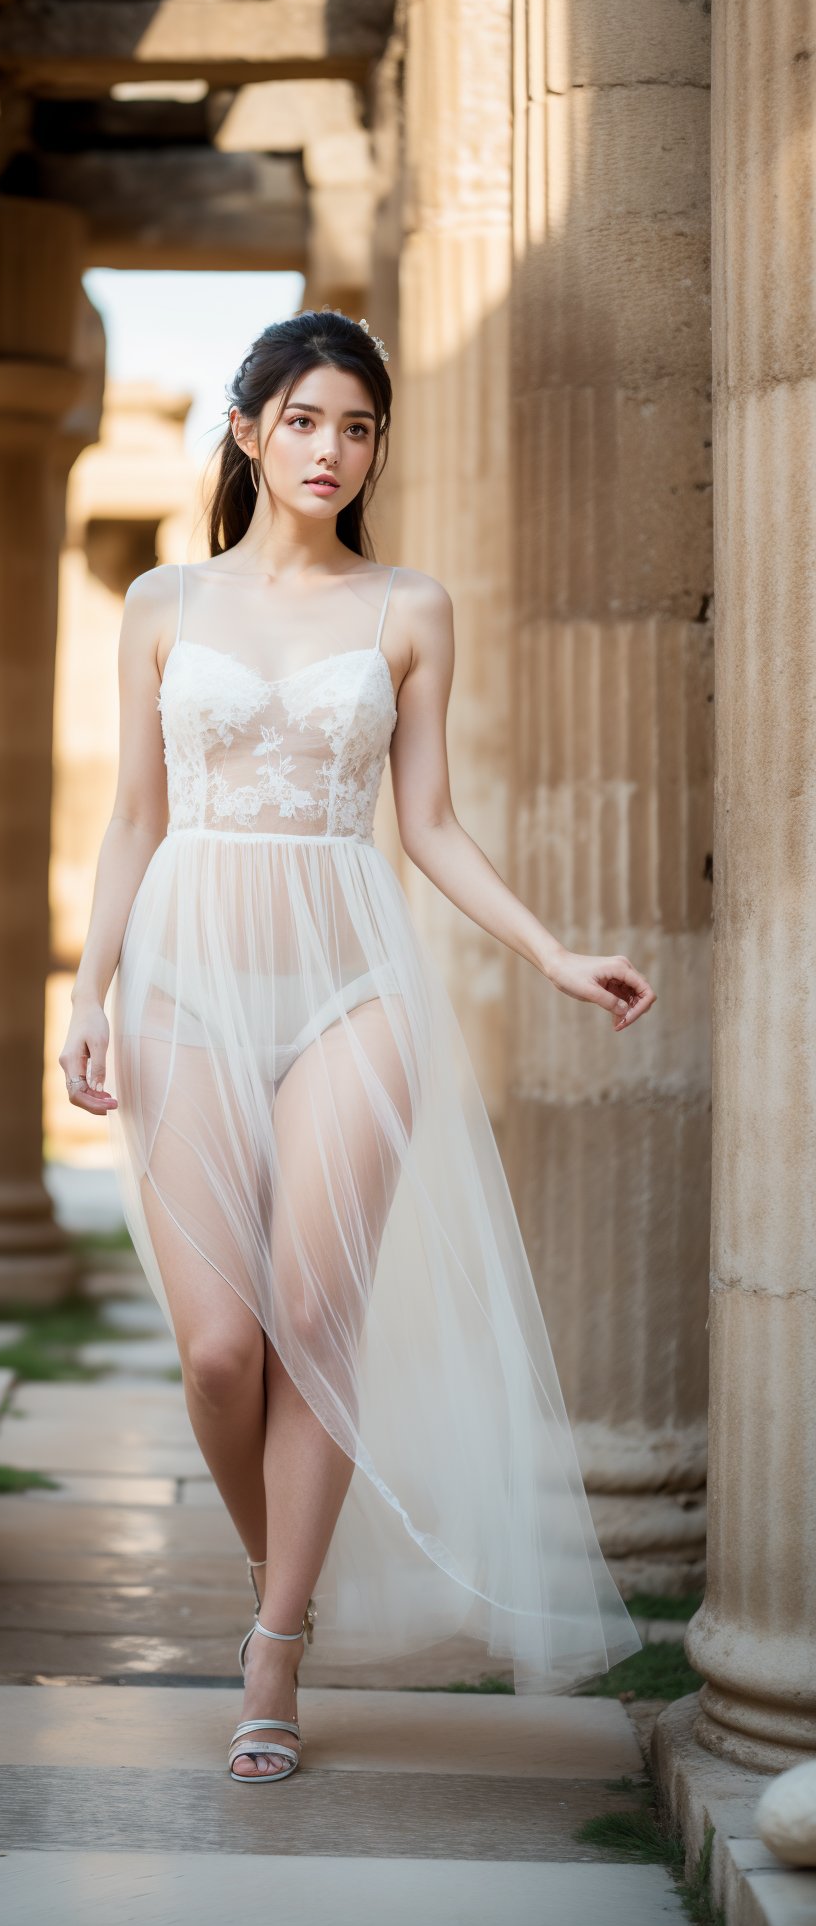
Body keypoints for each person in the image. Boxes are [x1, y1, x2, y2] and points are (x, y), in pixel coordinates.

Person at [58, 308, 652, 1785]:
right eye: (308, 420)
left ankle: (272, 1654)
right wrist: (88, 991)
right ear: (250, 429)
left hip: (354, 990)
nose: (334, 449)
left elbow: (429, 825)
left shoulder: (408, 608)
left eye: (361, 425)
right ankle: (297, 1579)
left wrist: (549, 949)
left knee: (315, 1318)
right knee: (216, 1352)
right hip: (186, 982)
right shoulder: (161, 605)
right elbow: (135, 817)